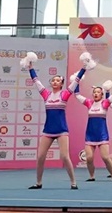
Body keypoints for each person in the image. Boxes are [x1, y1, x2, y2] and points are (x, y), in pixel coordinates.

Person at [22, 51, 94, 190]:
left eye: (57, 80)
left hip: (61, 130)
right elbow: (36, 81)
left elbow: (76, 81)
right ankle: (38, 183)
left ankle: (73, 182)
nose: (54, 82)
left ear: (61, 84)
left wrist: (84, 67)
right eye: (53, 80)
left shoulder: (65, 94)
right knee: (40, 156)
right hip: (48, 130)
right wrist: (30, 67)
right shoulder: (46, 94)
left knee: (65, 157)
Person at [75, 82, 112, 182]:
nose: (96, 94)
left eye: (98, 92)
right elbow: (77, 95)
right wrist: (77, 81)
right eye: (94, 92)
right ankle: (92, 176)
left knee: (105, 157)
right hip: (90, 135)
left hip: (102, 135)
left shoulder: (105, 103)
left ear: (102, 95)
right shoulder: (89, 103)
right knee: (89, 158)